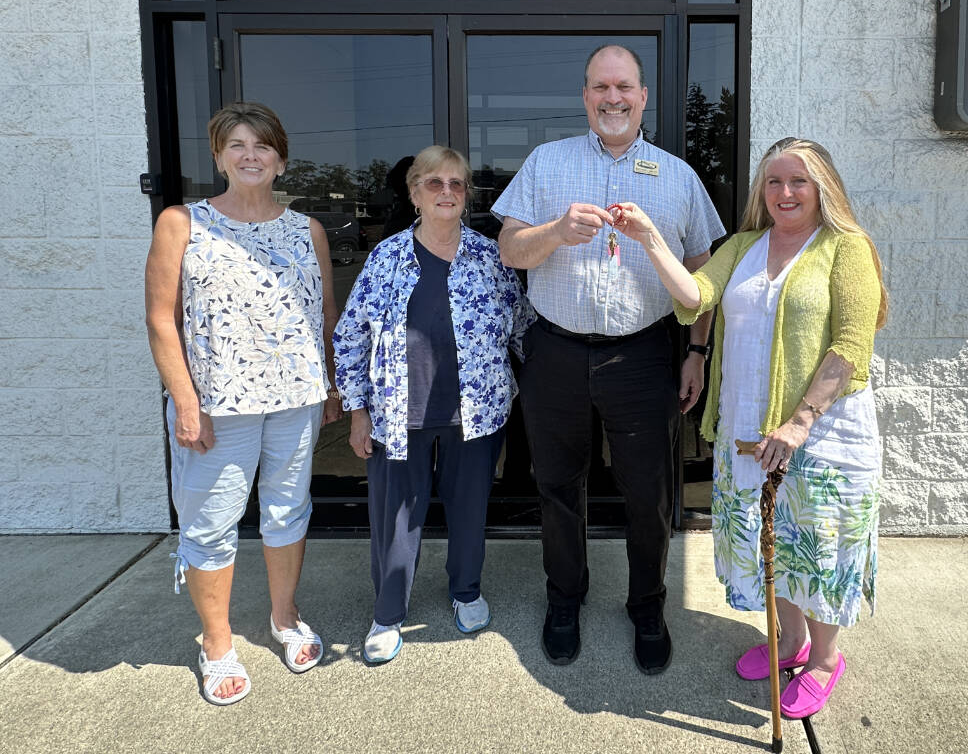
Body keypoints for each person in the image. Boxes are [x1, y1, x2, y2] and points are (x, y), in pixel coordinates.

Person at [610, 136, 887, 718]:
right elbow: (695, 296)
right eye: (774, 182)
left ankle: (824, 660)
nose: (784, 193)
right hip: (747, 430)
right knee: (774, 544)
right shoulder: (742, 245)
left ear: (822, 189)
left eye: (798, 182)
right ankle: (788, 642)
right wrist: (651, 239)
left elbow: (851, 345)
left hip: (824, 433)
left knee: (821, 547)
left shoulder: (846, 247)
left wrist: (801, 420)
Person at [491, 44, 725, 674]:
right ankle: (564, 599)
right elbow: (511, 248)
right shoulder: (547, 163)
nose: (612, 98)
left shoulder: (677, 175)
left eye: (624, 87)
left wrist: (697, 350)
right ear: (586, 96)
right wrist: (554, 233)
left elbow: (705, 276)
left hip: (645, 355)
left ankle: (647, 605)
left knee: (648, 493)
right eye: (601, 87)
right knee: (556, 488)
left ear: (643, 97)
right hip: (557, 353)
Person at [144, 101, 339, 706]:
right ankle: (217, 642)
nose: (250, 156)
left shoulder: (308, 230)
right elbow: (160, 320)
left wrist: (331, 386)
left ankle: (283, 617)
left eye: (262, 146)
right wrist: (183, 399)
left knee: (288, 512)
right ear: (218, 156)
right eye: (237, 145)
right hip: (217, 406)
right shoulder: (183, 223)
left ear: (281, 158)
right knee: (210, 526)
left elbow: (323, 315)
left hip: (295, 400)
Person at [333, 145, 534, 665]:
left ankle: (466, 591)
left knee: (470, 510)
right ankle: (388, 612)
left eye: (457, 184)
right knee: (396, 519)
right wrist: (357, 411)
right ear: (415, 192)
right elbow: (351, 334)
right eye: (434, 183)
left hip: (477, 410)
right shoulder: (387, 256)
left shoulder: (490, 255)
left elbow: (522, 323)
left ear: (467, 195)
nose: (447, 192)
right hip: (400, 412)